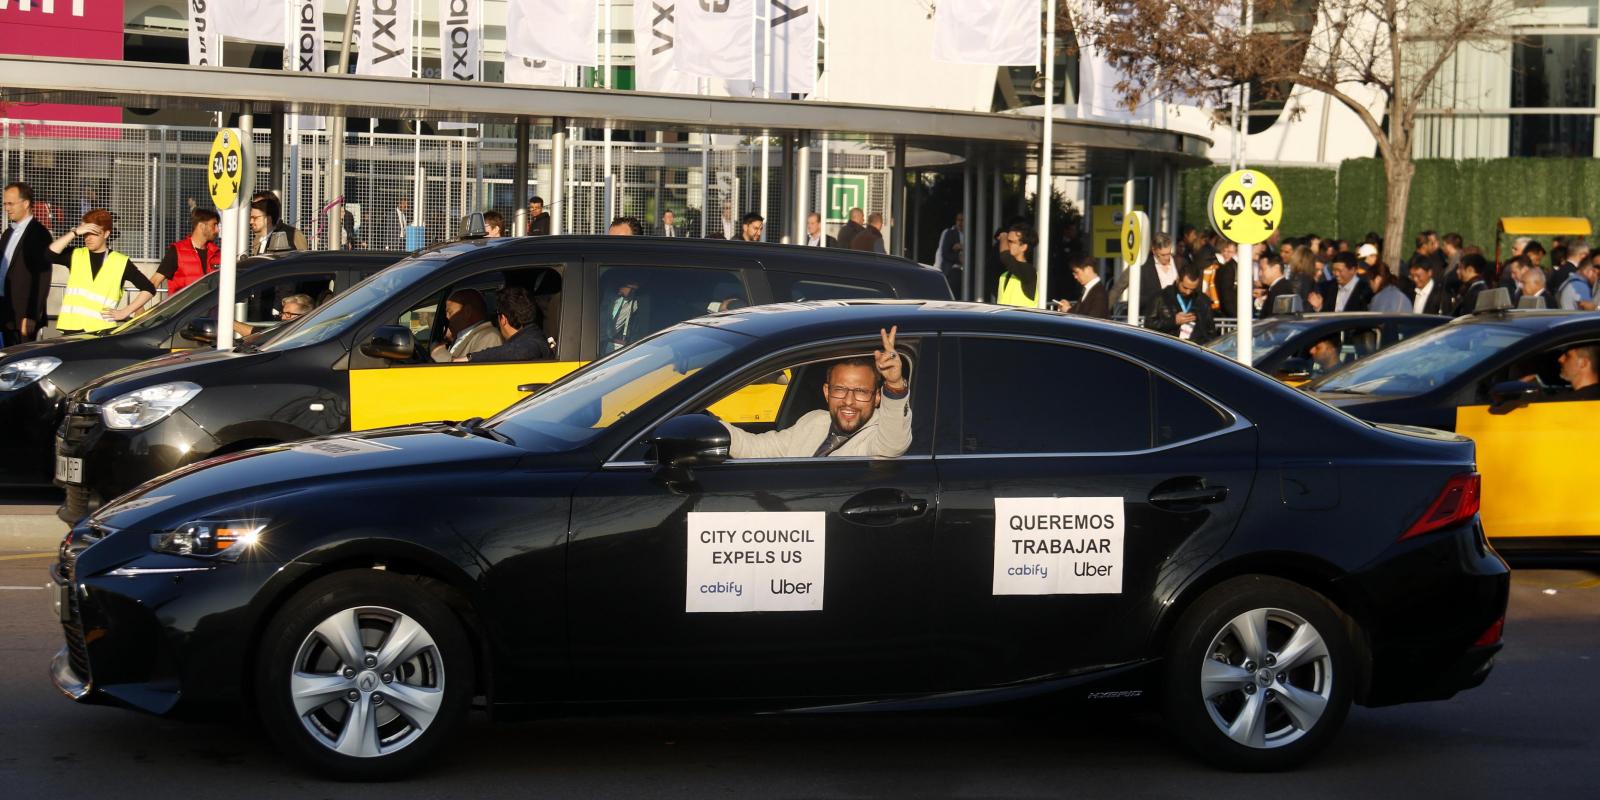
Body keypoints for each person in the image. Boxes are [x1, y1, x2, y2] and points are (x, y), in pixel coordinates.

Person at [722, 326, 910, 459]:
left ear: (877, 397)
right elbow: (756, 449)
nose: (849, 401)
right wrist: (713, 424)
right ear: (827, 392)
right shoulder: (814, 421)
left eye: (860, 391)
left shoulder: (878, 435)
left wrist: (894, 384)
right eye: (840, 389)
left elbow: (892, 444)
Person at [49, 210, 157, 334]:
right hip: (71, 329)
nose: (88, 238)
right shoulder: (75, 254)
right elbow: (49, 255)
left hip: (102, 330)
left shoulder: (120, 261)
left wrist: (125, 312)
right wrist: (75, 232)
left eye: (94, 233)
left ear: (106, 234)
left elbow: (149, 288)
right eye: (85, 234)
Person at [0, 182, 54, 345]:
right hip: (5, 309)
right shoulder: (8, 232)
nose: (7, 208)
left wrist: (31, 315)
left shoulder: (38, 234)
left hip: (22, 315)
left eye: (11, 203)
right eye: (4, 204)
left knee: (22, 362)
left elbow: (43, 277)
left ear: (26, 203)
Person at [462, 286, 553, 362]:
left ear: (503, 319)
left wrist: (470, 358)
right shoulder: (534, 334)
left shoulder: (531, 343)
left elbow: (521, 351)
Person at [155, 208, 221, 294]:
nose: (217, 230)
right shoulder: (177, 251)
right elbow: (155, 280)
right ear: (201, 226)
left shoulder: (217, 253)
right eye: (214, 225)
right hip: (183, 307)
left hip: (210, 307)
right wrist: (140, 306)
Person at [1146, 261, 1215, 343]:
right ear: (1178, 280)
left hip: (1195, 349)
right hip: (1168, 347)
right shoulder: (1161, 297)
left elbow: (1210, 330)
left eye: (1192, 289)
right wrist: (1173, 321)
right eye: (1185, 288)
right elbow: (1149, 324)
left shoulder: (1203, 300)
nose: (1188, 292)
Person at [431, 288, 503, 362]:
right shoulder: (465, 335)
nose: (447, 318)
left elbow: (473, 372)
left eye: (450, 312)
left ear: (467, 312)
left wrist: (440, 354)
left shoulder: (489, 337)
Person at [232, 292, 314, 340]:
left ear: (303, 317)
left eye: (288, 314)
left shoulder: (301, 337)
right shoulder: (288, 331)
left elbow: (261, 336)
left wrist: (229, 322)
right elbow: (260, 333)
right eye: (283, 313)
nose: (283, 317)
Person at [996, 225, 1038, 307]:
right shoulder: (1005, 275)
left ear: (1023, 247)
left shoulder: (1029, 271)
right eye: (1006, 241)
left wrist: (1004, 235)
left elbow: (1005, 256)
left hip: (1023, 319)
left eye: (1011, 242)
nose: (1006, 244)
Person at [1137, 234, 1180, 313]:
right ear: (1154, 251)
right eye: (1163, 255)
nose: (1167, 258)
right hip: (1157, 316)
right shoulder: (1145, 269)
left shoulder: (1180, 263)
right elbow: (1139, 298)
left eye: (1169, 253)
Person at [1258, 252, 1296, 317]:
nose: (1260, 274)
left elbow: (1281, 319)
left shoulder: (1283, 290)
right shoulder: (1277, 288)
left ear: (1276, 268)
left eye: (1262, 269)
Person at [935, 213, 964, 291]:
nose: (960, 223)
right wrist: (958, 258)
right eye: (958, 220)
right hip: (952, 269)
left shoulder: (969, 234)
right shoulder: (949, 233)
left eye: (963, 220)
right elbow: (944, 253)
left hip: (964, 271)